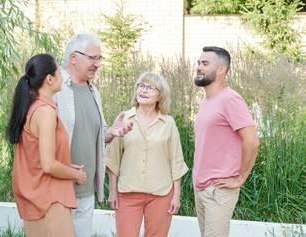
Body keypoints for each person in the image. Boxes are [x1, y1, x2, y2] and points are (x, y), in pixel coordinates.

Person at [54, 33, 133, 237]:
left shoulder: (93, 91)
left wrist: (111, 133)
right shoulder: (55, 89)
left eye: (99, 58)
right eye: (92, 58)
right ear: (73, 58)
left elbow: (98, 136)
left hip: (85, 189)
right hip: (57, 190)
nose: (97, 64)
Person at [7, 54, 87, 237]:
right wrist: (76, 175)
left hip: (36, 195)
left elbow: (36, 156)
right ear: (49, 79)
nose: (63, 76)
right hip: (50, 199)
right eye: (59, 72)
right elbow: (48, 165)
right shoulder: (45, 112)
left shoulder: (32, 107)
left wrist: (66, 167)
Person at [106, 72, 189, 237]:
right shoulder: (124, 118)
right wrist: (112, 191)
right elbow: (113, 158)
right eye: (141, 86)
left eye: (150, 88)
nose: (143, 90)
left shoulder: (168, 123)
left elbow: (176, 161)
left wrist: (176, 196)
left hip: (161, 194)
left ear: (160, 95)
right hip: (127, 192)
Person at [193, 46, 260, 237]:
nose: (199, 67)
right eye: (199, 62)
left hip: (218, 190)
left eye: (205, 63)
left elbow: (252, 141)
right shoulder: (207, 100)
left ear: (222, 70)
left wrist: (241, 177)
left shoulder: (230, 99)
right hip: (201, 187)